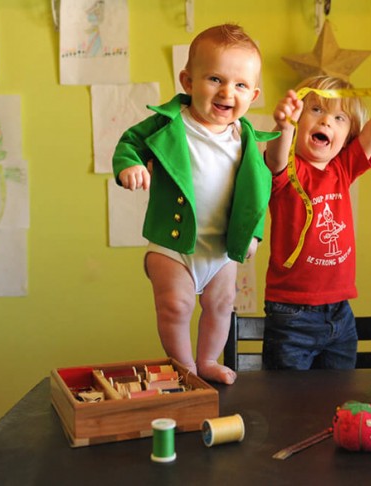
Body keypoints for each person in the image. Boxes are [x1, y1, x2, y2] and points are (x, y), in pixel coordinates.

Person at [112, 24, 278, 384]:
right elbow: (129, 142)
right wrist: (130, 165)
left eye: (240, 85)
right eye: (215, 79)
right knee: (175, 305)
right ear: (188, 81)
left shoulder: (246, 138)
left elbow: (259, 191)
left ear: (254, 94)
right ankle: (183, 367)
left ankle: (207, 362)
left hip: (221, 247)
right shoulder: (171, 123)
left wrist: (254, 234)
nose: (227, 92)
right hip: (173, 243)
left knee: (221, 306)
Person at [263, 75, 371, 369]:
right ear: (298, 120)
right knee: (285, 400)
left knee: (339, 397)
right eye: (316, 110)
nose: (326, 122)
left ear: (347, 138)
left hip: (340, 312)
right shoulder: (287, 171)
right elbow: (275, 158)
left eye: (339, 118)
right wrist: (283, 127)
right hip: (291, 313)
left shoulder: (342, 169)